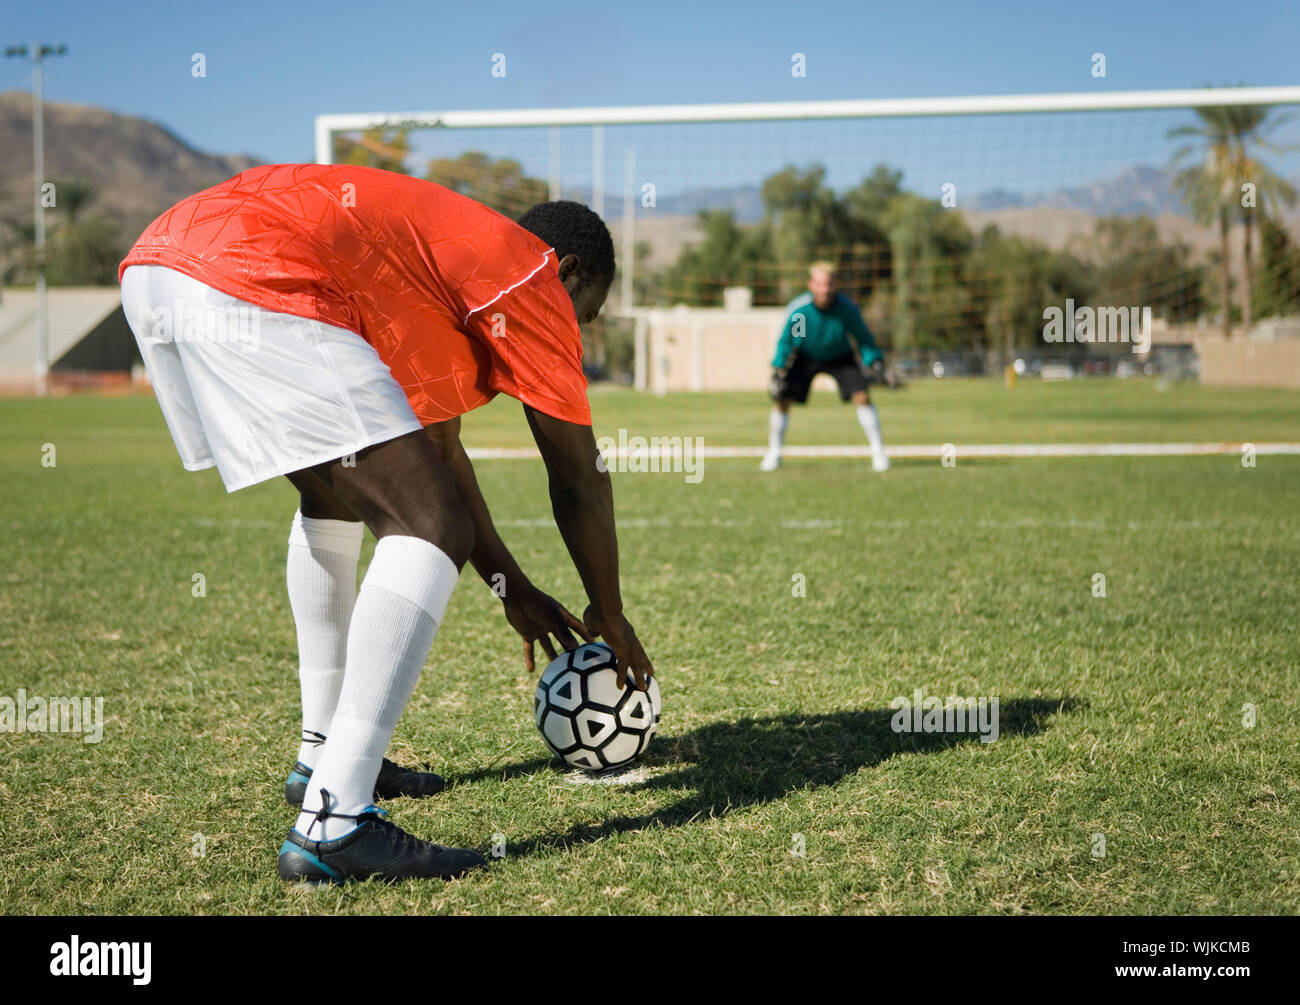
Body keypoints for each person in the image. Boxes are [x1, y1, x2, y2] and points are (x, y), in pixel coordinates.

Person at [118, 163, 655, 884]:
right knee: (428, 527)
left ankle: (321, 755)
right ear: (569, 270)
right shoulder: (526, 273)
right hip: (244, 270)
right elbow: (578, 476)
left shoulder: (433, 271)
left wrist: (511, 586)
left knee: (338, 498)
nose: (573, 335)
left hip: (161, 264)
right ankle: (335, 821)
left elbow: (439, 454)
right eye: (582, 313)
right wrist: (610, 613)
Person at [761, 261, 894, 472]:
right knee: (782, 399)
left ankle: (879, 453)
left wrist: (874, 360)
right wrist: (779, 368)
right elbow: (789, 340)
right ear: (811, 285)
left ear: (836, 284)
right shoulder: (801, 311)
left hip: (839, 355)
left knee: (863, 396)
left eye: (829, 284)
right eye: (820, 284)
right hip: (805, 356)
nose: (825, 289)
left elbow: (862, 338)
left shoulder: (846, 310)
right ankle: (774, 453)